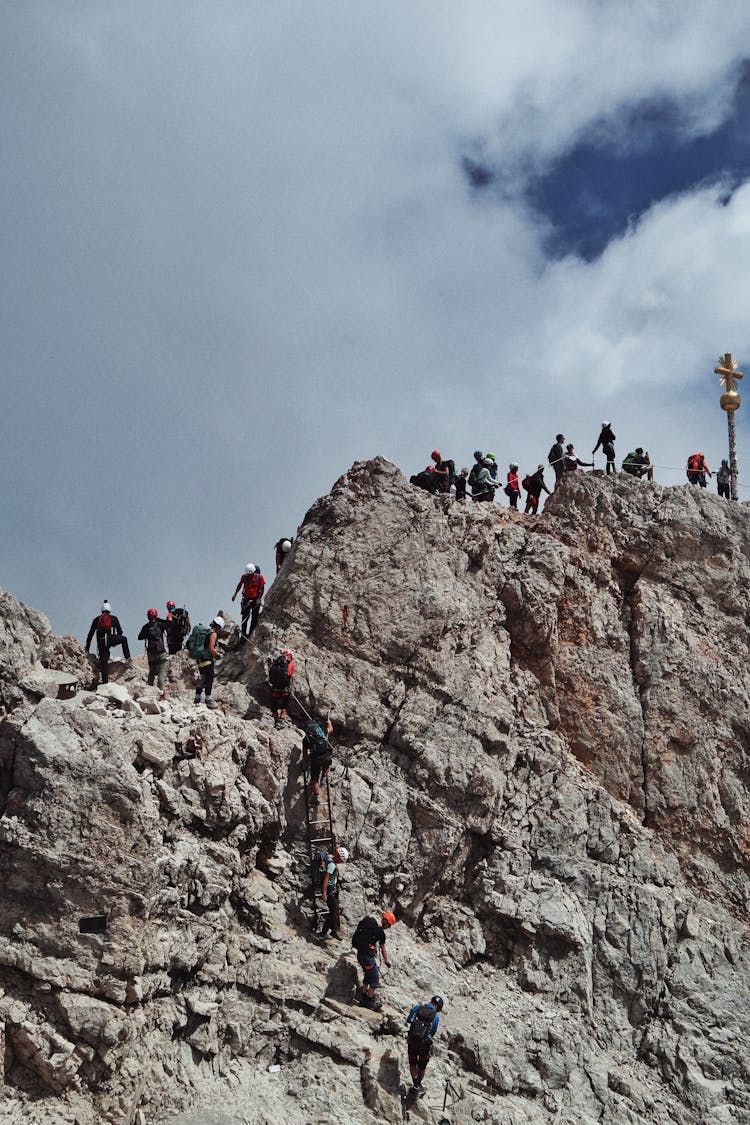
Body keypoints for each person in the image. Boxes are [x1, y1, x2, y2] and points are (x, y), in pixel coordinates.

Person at [352, 910, 396, 1011]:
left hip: (360, 954)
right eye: (389, 925)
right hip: (367, 958)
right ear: (386, 922)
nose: (388, 927)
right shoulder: (380, 932)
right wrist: (386, 961)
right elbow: (383, 948)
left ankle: (363, 997)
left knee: (368, 975)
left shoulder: (370, 923)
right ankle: (368, 1002)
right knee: (375, 979)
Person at [85, 601, 131, 686]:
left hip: (101, 643)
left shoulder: (96, 619)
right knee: (124, 639)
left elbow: (90, 634)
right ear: (110, 610)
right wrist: (115, 640)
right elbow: (120, 631)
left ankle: (105, 683)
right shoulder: (114, 618)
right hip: (110, 640)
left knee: (103, 662)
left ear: (101, 610)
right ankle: (128, 659)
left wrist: (87, 648)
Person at [405, 995, 444, 1094]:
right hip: (424, 1045)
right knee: (422, 1066)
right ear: (438, 1007)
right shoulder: (436, 1017)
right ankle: (418, 1084)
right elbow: (433, 1032)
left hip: (412, 1041)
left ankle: (415, 1084)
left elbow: (409, 1019)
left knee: (412, 1063)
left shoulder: (417, 1008)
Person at [187, 615, 223, 709]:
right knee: (209, 680)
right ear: (218, 626)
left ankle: (197, 698)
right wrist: (218, 655)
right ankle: (208, 700)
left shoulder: (206, 632)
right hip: (207, 660)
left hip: (200, 660)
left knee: (203, 679)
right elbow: (211, 649)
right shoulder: (213, 634)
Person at [319, 844, 349, 940]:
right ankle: (325, 932)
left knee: (335, 911)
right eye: (341, 860)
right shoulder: (332, 865)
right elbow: (326, 879)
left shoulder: (330, 858)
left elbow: (332, 855)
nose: (340, 862)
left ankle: (334, 930)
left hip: (332, 890)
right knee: (333, 912)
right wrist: (324, 893)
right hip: (329, 891)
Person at [137, 608, 168, 695]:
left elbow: (139, 637)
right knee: (161, 674)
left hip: (151, 652)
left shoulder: (146, 627)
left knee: (151, 673)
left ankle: (149, 692)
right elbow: (171, 624)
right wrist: (159, 619)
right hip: (161, 651)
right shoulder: (160, 624)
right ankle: (160, 693)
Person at [302, 717, 334, 801]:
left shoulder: (306, 739)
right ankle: (324, 777)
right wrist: (329, 723)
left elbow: (305, 755)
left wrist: (304, 765)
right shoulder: (322, 732)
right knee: (326, 765)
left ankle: (316, 796)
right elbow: (330, 729)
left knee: (314, 780)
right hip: (327, 755)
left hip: (316, 759)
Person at [231, 563, 266, 639]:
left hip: (255, 601)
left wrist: (259, 599)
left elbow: (262, 589)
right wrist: (235, 594)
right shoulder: (244, 577)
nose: (249, 576)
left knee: (254, 618)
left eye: (250, 575)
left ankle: (250, 635)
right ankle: (243, 637)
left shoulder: (259, 577)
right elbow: (240, 584)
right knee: (244, 618)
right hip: (246, 601)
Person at [269, 649, 295, 726]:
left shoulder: (276, 662)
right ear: (290, 655)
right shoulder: (291, 664)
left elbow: (271, 674)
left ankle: (276, 721)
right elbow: (291, 676)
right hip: (285, 690)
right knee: (284, 707)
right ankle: (281, 721)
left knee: (274, 708)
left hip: (275, 689)